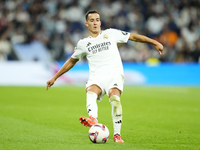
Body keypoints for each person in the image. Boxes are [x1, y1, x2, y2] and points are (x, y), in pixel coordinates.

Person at [46, 10, 163, 143]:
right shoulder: (83, 43)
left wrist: (154, 43)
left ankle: (117, 135)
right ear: (86, 24)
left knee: (115, 98)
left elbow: (134, 37)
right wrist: (55, 77)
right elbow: (71, 61)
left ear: (100, 22)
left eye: (97, 20)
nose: (95, 22)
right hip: (96, 76)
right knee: (91, 92)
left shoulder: (111, 33)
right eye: (91, 20)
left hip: (114, 74)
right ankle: (93, 119)